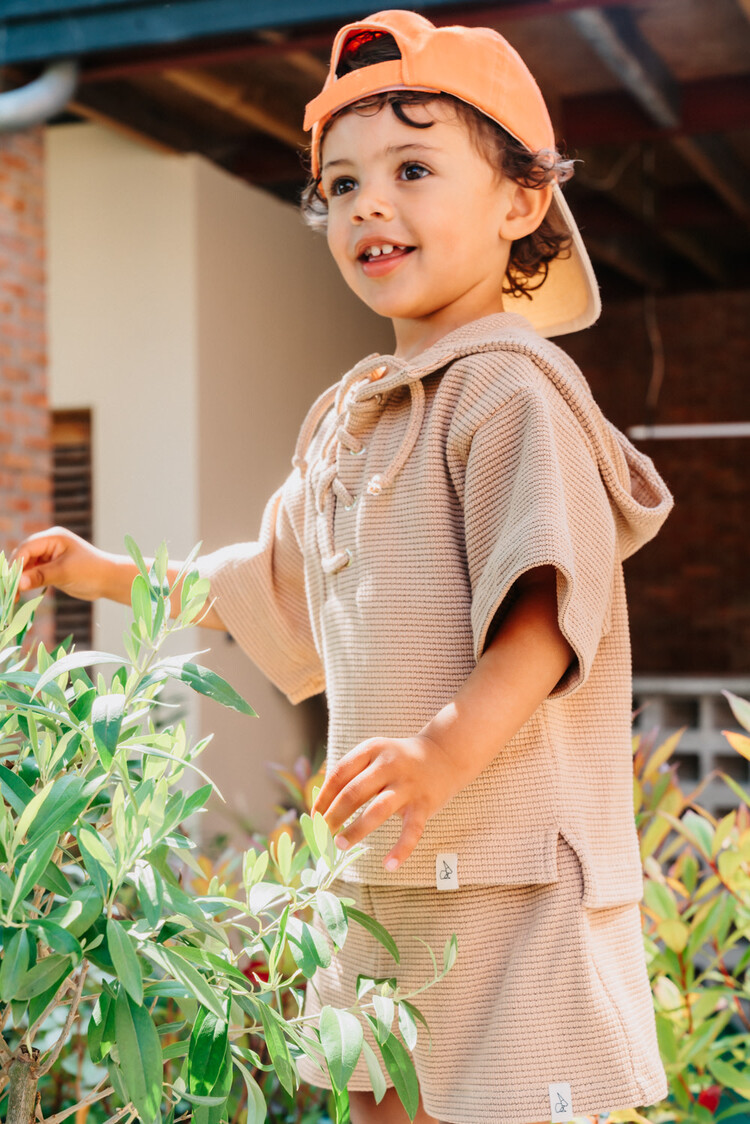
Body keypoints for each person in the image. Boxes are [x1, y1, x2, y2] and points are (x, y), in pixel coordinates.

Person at [11, 10, 674, 1124]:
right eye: (341, 182)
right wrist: (102, 571)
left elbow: (544, 615)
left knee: (498, 1102)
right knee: (375, 1100)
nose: (370, 202)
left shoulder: (509, 389)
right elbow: (262, 579)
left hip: (505, 882)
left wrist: (437, 751)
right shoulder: (355, 424)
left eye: (414, 168)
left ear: (520, 202)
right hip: (384, 876)